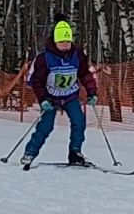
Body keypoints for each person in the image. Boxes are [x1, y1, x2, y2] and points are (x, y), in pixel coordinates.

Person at [20, 20, 99, 169]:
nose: (65, 44)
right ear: (55, 41)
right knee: (46, 126)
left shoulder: (77, 55)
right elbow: (37, 81)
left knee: (79, 122)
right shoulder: (44, 58)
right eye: (61, 41)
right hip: (50, 98)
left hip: (70, 96)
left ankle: (75, 153)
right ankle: (30, 153)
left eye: (67, 41)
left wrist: (92, 92)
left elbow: (85, 74)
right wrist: (43, 99)